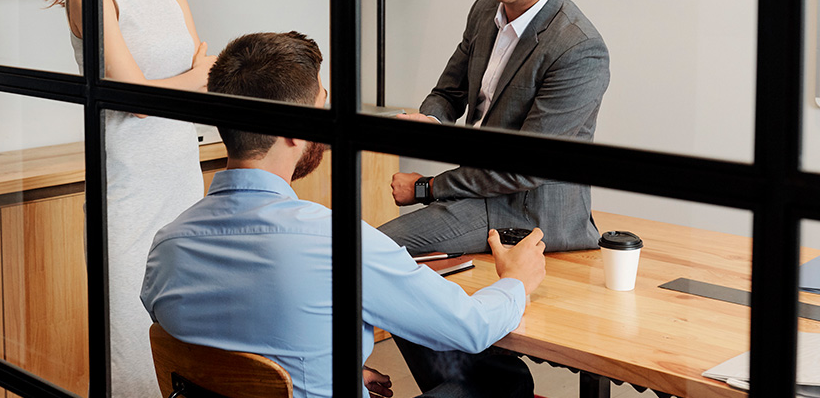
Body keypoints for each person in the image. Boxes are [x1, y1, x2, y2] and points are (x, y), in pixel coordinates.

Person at [142, 31, 547, 398]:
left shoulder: (166, 248)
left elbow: (229, 350)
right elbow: (469, 327)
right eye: (323, 106)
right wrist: (514, 281)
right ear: (295, 130)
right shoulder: (336, 244)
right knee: (505, 382)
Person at [49, 0, 216, 397]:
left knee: (190, 352)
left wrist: (190, 80)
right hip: (125, 199)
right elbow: (134, 98)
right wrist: (192, 76)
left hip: (182, 189)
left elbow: (207, 85)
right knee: (132, 359)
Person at [379, 0, 611, 256]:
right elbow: (448, 93)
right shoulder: (486, 9)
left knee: (373, 248)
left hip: (527, 211)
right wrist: (431, 122)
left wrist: (426, 187)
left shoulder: (579, 49)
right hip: (476, 190)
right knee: (363, 244)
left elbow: (523, 168)